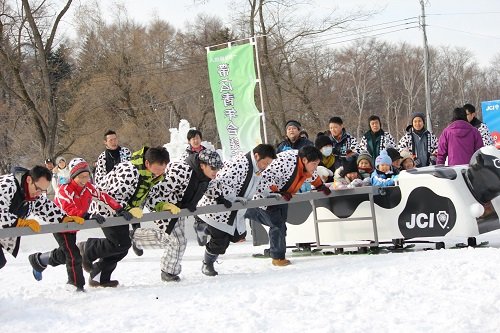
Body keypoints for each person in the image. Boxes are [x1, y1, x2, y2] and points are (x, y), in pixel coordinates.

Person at [28, 158, 128, 292]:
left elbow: (103, 196)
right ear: (73, 176)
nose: (84, 180)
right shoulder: (65, 189)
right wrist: (88, 215)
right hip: (61, 226)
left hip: (74, 227)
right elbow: (69, 209)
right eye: (80, 177)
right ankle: (75, 285)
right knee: (73, 256)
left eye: (87, 176)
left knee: (67, 254)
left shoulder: (88, 188)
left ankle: (39, 260)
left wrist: (119, 209)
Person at [79, 146, 168, 287]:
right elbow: (113, 194)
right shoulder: (129, 170)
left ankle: (100, 276)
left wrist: (161, 205)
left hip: (123, 212)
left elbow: (147, 196)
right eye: (157, 170)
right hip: (106, 208)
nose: (160, 174)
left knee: (122, 247)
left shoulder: (151, 175)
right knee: (120, 244)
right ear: (147, 164)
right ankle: (88, 248)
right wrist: (129, 208)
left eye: (163, 170)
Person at [131, 149, 224, 282]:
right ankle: (168, 272)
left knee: (173, 240)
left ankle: (137, 238)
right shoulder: (181, 170)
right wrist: (163, 206)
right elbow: (155, 189)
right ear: (202, 165)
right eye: (213, 168)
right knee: (178, 241)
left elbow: (210, 188)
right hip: (164, 205)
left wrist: (220, 199)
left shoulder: (207, 176)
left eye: (218, 168)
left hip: (178, 209)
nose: (216, 171)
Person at [197, 144, 277, 276]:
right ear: (257, 156)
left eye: (268, 164)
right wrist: (234, 198)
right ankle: (207, 263)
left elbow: (258, 183)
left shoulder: (256, 167)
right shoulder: (240, 164)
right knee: (220, 242)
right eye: (265, 162)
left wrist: (268, 193)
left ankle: (204, 228)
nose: (266, 166)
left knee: (237, 236)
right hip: (218, 207)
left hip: (234, 210)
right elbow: (221, 182)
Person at [245, 146, 331, 266]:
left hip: (283, 197)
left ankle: (274, 251)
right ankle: (277, 257)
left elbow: (312, 174)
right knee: (277, 224)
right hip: (266, 196)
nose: (316, 166)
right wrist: (276, 192)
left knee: (280, 226)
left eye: (317, 164)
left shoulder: (306, 163)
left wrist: (319, 186)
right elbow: (264, 177)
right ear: (305, 160)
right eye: (314, 163)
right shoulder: (285, 160)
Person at [0, 166, 79, 270]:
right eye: (37, 189)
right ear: (29, 180)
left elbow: (45, 206)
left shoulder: (31, 192)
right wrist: (19, 223)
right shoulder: (6, 185)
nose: (38, 194)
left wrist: (63, 218)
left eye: (42, 191)